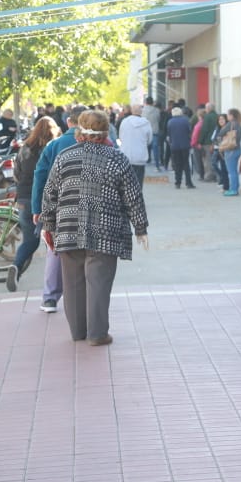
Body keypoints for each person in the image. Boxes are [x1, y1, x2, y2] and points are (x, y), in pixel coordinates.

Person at [39, 111, 148, 347]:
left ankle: (78, 331)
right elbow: (133, 197)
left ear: (79, 131)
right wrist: (141, 227)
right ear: (105, 131)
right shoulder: (117, 159)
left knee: (73, 283)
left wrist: (48, 225)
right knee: (99, 283)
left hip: (68, 229)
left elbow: (50, 194)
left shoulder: (64, 157)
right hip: (105, 231)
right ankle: (97, 334)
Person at [31, 106, 85, 313]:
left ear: (69, 122)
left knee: (55, 250)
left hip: (57, 206)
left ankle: (50, 298)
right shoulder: (97, 144)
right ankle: (83, 296)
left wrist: (37, 208)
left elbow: (40, 176)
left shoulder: (54, 145)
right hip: (88, 204)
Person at [7, 116, 61, 292]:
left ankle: (16, 266)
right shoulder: (51, 149)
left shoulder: (24, 149)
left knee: (30, 239)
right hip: (43, 198)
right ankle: (55, 280)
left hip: (23, 198)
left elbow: (16, 174)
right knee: (54, 239)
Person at [117, 103, 153, 186]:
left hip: (126, 156)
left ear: (131, 111)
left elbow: (121, 137)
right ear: (141, 112)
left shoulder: (124, 122)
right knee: (138, 183)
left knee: (126, 183)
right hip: (140, 157)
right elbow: (149, 140)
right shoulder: (146, 123)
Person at [166, 107, 195, 189]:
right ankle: (188, 183)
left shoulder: (170, 122)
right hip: (185, 145)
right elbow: (189, 132)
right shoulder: (186, 120)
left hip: (174, 146)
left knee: (177, 164)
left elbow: (169, 134)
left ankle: (177, 182)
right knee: (186, 164)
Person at [222, 108, 241, 196]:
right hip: (237, 149)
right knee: (234, 171)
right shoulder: (239, 124)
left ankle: (233, 189)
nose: (227, 116)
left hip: (230, 149)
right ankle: (235, 188)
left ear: (232, 115)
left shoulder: (230, 124)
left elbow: (221, 133)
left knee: (231, 171)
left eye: (228, 114)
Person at [199, 102, 219, 182]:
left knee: (207, 160)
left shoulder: (207, 117)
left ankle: (209, 176)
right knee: (214, 159)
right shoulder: (217, 116)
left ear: (208, 108)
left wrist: (200, 141)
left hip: (207, 141)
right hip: (216, 141)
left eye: (206, 108)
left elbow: (205, 130)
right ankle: (215, 175)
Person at [212, 112, 231, 192]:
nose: (221, 121)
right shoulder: (217, 129)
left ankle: (226, 186)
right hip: (218, 150)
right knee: (215, 164)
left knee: (225, 169)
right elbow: (214, 138)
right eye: (219, 119)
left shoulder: (228, 128)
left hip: (225, 150)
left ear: (226, 120)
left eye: (222, 119)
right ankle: (224, 184)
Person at [143, 96, 163, 171]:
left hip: (145, 131)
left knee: (145, 147)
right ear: (152, 102)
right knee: (155, 149)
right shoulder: (157, 110)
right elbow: (159, 119)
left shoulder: (143, 110)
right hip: (154, 131)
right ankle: (157, 165)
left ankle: (146, 160)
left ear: (146, 102)